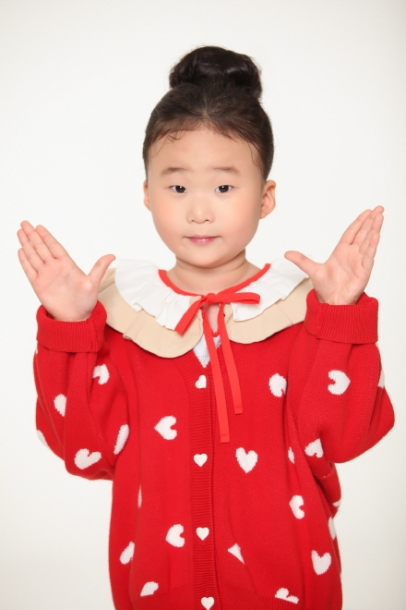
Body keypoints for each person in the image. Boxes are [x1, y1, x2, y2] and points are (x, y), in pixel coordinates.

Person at [17, 45, 394, 610]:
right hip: (157, 588)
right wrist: (70, 329)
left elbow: (344, 439)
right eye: (177, 187)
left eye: (223, 187)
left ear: (265, 197)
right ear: (147, 193)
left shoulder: (300, 308)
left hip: (291, 587)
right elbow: (86, 452)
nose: (199, 211)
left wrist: (340, 316)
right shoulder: (126, 315)